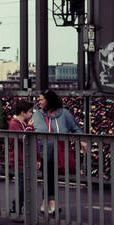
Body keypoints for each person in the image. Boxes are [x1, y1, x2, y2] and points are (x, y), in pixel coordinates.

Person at [34, 89, 80, 217]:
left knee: (49, 177)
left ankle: (45, 204)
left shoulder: (64, 114)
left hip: (60, 152)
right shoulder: (38, 114)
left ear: (49, 101)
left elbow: (75, 128)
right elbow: (34, 129)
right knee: (49, 177)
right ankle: (52, 203)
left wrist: (83, 141)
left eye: (41, 99)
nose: (39, 101)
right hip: (43, 153)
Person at [6, 100, 34, 214]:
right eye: (30, 112)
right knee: (23, 185)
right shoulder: (14, 123)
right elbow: (23, 138)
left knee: (25, 185)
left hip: (24, 158)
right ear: (23, 112)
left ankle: (18, 207)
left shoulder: (23, 123)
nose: (31, 114)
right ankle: (16, 207)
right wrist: (30, 127)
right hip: (18, 159)